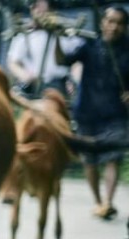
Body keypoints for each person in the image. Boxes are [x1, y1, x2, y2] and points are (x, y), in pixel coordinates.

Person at [56, 5, 129, 220]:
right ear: (102, 23)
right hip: (87, 112)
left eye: (119, 23)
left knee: (113, 158)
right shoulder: (88, 46)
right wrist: (56, 39)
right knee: (90, 160)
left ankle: (108, 201)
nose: (113, 27)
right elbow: (62, 60)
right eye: (110, 21)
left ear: (125, 27)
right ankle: (98, 201)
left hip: (115, 114)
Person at [8, 0, 74, 99]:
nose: (38, 10)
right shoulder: (25, 35)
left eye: (42, 7)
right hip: (35, 86)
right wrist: (24, 75)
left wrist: (72, 80)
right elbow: (13, 62)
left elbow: (75, 61)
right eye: (35, 7)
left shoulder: (64, 34)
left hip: (60, 85)